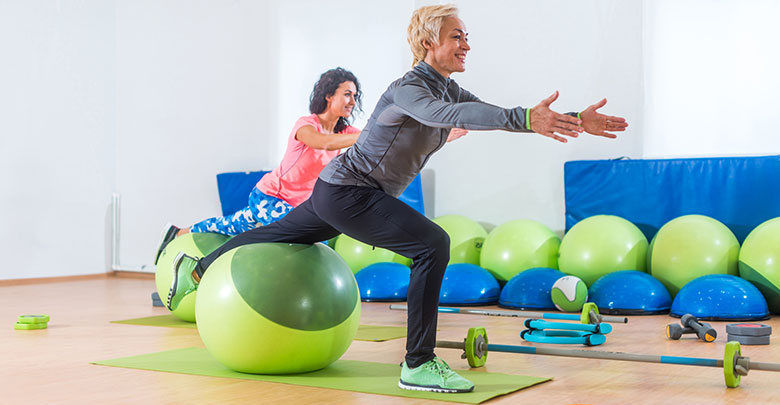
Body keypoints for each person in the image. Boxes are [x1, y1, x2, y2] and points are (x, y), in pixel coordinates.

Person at [166, 4, 627, 393]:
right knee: (432, 244)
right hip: (351, 193)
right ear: (429, 43)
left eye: (467, 36)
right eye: (456, 36)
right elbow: (452, 114)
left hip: (339, 193)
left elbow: (475, 112)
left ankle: (199, 268)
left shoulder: (446, 87)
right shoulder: (412, 88)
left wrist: (567, 119)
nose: (466, 44)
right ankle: (418, 363)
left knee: (273, 234)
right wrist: (525, 116)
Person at [153, 68, 363, 264]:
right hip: (271, 197)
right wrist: (363, 136)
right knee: (314, 238)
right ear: (328, 96)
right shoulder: (306, 125)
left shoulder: (346, 132)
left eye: (355, 96)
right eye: (347, 94)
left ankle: (177, 233)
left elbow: (370, 138)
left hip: (298, 206)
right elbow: (323, 142)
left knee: (230, 225)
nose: (352, 101)